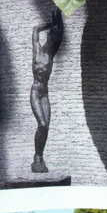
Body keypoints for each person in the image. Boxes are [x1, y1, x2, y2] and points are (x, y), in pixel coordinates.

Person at [30, 10, 64, 173]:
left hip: (45, 94)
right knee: (42, 124)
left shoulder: (51, 53)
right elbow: (36, 30)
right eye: (51, 36)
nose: (52, 39)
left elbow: (61, 35)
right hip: (36, 92)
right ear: (47, 37)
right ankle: (37, 158)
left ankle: (39, 158)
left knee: (46, 127)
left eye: (54, 37)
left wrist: (59, 21)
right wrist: (50, 24)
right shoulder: (37, 50)